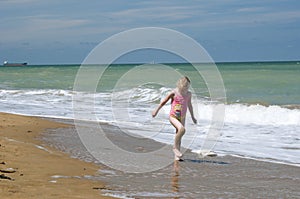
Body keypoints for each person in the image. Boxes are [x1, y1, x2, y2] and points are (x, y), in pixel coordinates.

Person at [152, 76, 197, 161]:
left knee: (179, 135)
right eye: (184, 87)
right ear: (180, 85)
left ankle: (177, 156)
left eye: (187, 87)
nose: (185, 89)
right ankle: (175, 148)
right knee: (182, 129)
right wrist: (156, 111)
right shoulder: (174, 92)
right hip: (173, 116)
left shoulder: (188, 94)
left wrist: (193, 117)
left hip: (182, 117)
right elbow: (163, 102)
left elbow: (190, 105)